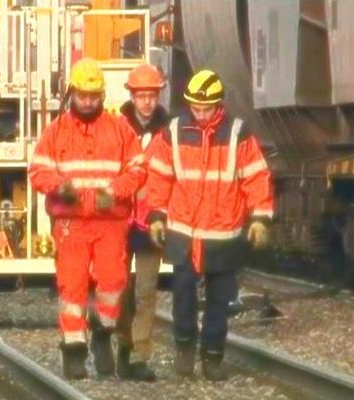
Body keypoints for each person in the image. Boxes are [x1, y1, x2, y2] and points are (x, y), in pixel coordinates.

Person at [146, 69, 274, 381]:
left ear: (219, 105)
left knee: (220, 300)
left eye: (207, 108)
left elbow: (256, 177)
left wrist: (259, 218)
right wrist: (156, 215)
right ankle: (185, 349)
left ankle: (213, 356)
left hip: (222, 232)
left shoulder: (237, 134)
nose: (201, 114)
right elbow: (160, 175)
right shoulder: (174, 131)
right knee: (184, 295)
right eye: (196, 108)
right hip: (184, 232)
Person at [28, 58, 146, 379]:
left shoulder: (120, 129)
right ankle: (74, 351)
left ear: (102, 95)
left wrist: (117, 191)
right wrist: (59, 188)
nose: (88, 102)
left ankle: (103, 332)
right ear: (72, 94)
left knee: (113, 281)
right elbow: (38, 171)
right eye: (83, 95)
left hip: (110, 221)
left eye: (94, 96)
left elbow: (138, 169)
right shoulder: (56, 132)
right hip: (71, 222)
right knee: (73, 287)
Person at [114, 63, 170, 381]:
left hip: (152, 222)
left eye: (151, 95)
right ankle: (122, 344)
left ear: (158, 94)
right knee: (119, 289)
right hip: (120, 221)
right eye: (141, 95)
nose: (147, 102)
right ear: (132, 96)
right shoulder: (117, 127)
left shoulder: (170, 131)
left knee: (146, 292)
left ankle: (139, 355)